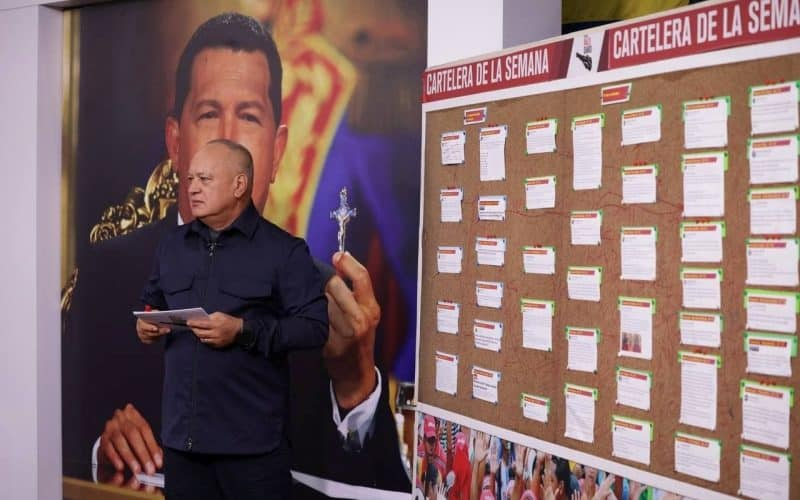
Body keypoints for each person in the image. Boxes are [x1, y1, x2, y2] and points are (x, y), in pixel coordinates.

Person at [63, 12, 410, 498]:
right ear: (175, 141)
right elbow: (48, 438)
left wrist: (355, 387)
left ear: (277, 150)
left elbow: (384, 490)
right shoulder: (107, 275)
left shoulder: (321, 300)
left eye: (248, 117)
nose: (228, 138)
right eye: (209, 114)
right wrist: (103, 450)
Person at [136, 139, 328, 498]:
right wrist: (145, 324)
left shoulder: (283, 251)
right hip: (183, 448)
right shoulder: (172, 245)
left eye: (205, 179)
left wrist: (243, 330)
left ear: (239, 185)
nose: (192, 187)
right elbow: (152, 300)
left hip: (252, 451)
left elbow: (314, 328)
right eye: (190, 179)